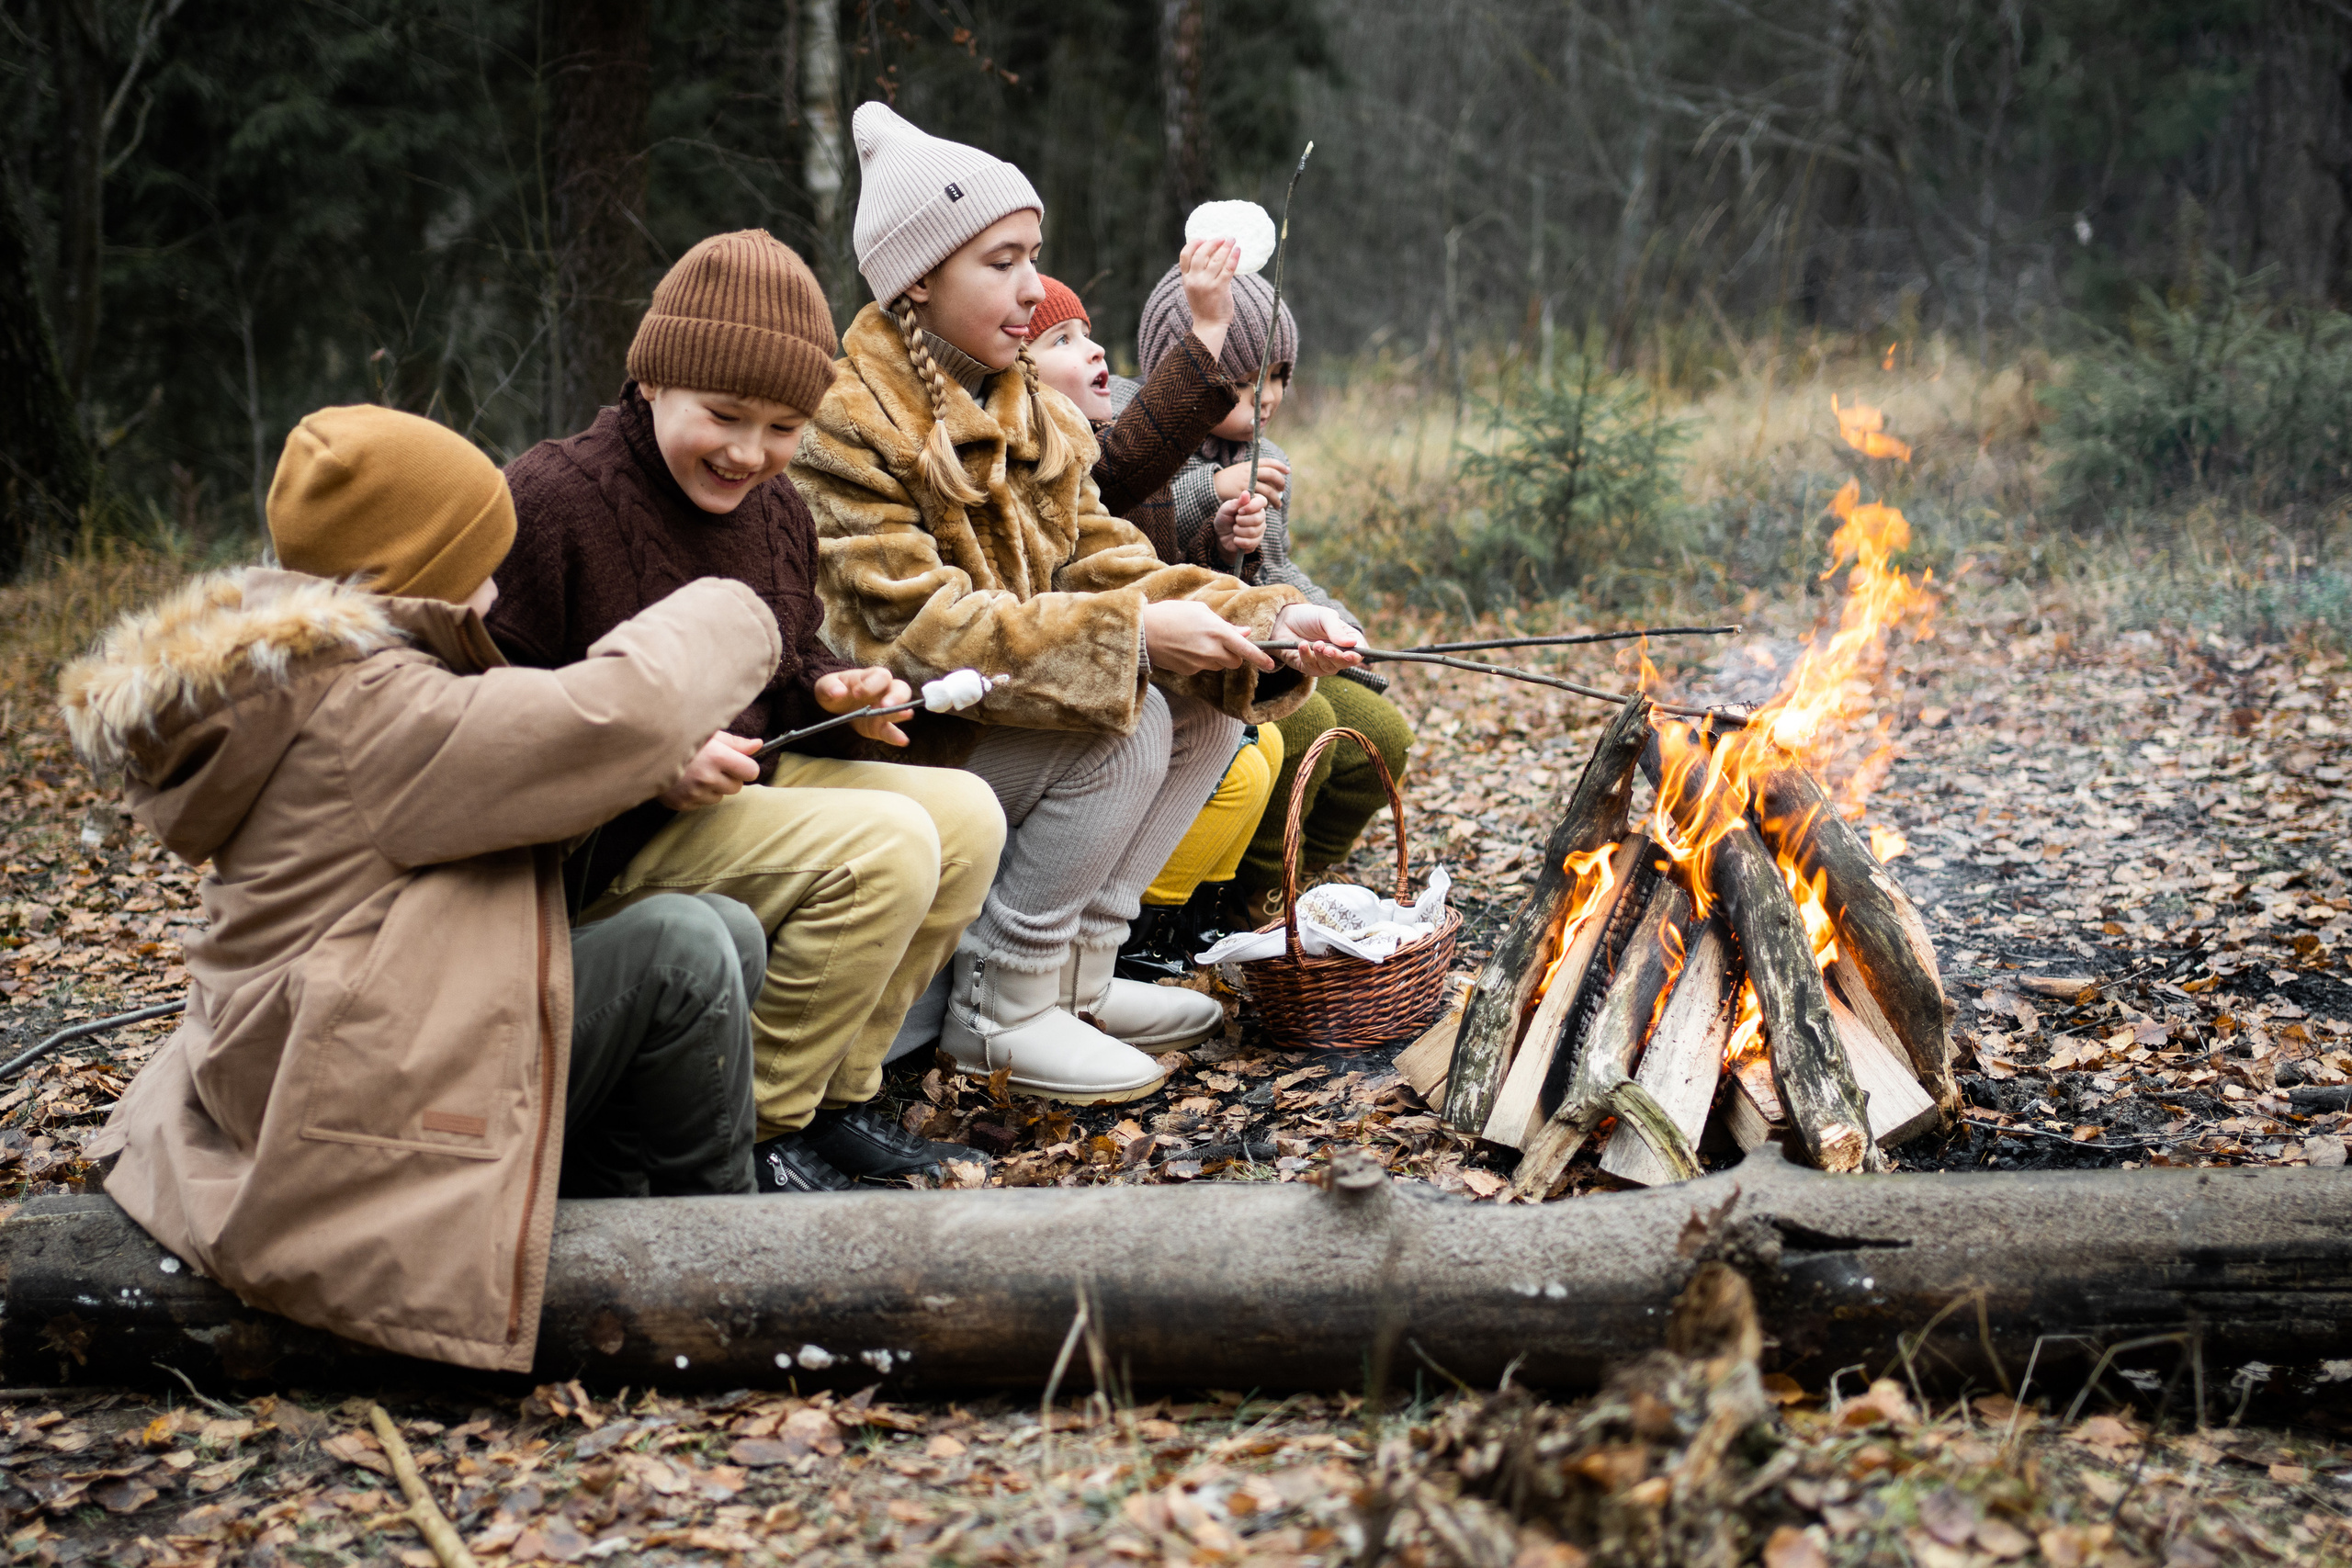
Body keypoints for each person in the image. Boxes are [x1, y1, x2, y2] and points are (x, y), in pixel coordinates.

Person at [62, 405, 780, 1371]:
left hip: (329, 1059)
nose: (498, 583)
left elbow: (490, 790)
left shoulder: (309, 683)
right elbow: (616, 716)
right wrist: (732, 597)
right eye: (483, 560)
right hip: (352, 1112)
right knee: (684, 952)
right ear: (414, 574)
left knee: (723, 932)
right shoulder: (369, 710)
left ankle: (602, 1202)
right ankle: (733, 1266)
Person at [792, 103, 1363, 1102]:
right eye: (1002, 263)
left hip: (1000, 718)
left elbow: (1103, 560)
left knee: (1199, 704)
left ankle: (1078, 979)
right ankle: (999, 1010)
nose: (1031, 290)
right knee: (1128, 709)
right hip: (895, 740)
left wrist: (1268, 623)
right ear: (916, 278)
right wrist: (1135, 636)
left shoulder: (1027, 408)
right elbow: (909, 634)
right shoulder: (848, 425)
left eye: (1033, 257)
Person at [488, 230, 1000, 1193]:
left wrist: (835, 691)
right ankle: (754, 1127)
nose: (747, 452)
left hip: (737, 791)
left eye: (781, 427)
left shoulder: (776, 509)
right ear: (651, 382)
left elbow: (789, 648)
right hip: (600, 842)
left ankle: (839, 1101)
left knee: (966, 815)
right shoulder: (552, 500)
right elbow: (487, 713)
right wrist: (642, 759)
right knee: (884, 846)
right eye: (723, 415)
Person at [1138, 265, 1418, 927]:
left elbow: (1279, 569)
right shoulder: (1145, 445)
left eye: (1279, 377)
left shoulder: (1267, 452)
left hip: (1273, 641)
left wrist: (1342, 626)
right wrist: (1212, 492)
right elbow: (1128, 520)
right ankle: (1256, 896)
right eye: (1243, 381)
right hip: (1200, 658)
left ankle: (1309, 872)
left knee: (1385, 736)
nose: (1266, 396)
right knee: (1306, 730)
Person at [1025, 265, 1283, 973]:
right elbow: (1129, 463)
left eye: (1089, 332)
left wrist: (1227, 549)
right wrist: (1206, 331)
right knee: (1201, 745)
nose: (1095, 350)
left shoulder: (1093, 442)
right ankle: (1139, 940)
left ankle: (1152, 934)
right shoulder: (1076, 451)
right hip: (1071, 673)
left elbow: (1152, 563)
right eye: (1063, 338)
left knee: (1239, 730)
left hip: (1146, 645)